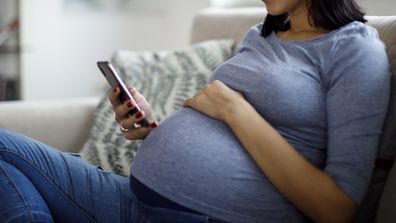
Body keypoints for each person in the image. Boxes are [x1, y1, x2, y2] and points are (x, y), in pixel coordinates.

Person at [0, 0, 391, 222]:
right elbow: (218, 137)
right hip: (137, 201)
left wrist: (236, 110)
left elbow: (338, 209)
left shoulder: (355, 50)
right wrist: (152, 130)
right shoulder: (262, 33)